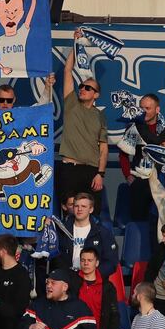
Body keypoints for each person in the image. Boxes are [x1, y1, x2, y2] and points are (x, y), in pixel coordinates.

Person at [57, 29, 109, 214]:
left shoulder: (100, 115)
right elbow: (67, 70)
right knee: (69, 212)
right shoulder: (72, 103)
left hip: (91, 171)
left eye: (88, 88)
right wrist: (75, 43)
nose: (83, 89)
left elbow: (103, 148)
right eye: (82, 86)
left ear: (96, 95)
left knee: (92, 214)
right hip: (69, 168)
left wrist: (100, 174)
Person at [120, 93, 165, 221]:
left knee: (163, 220)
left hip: (162, 181)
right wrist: (128, 176)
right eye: (141, 108)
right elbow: (123, 154)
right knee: (138, 220)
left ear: (157, 110)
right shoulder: (133, 127)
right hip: (140, 181)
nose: (144, 112)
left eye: (147, 108)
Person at [56, 193, 118, 279]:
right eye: (76, 206)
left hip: (92, 281)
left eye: (84, 206)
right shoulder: (62, 230)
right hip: (68, 280)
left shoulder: (102, 232)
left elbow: (111, 261)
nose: (79, 209)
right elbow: (56, 257)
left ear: (91, 209)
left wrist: (93, 275)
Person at [75, 247, 119, 329]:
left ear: (97, 263)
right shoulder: (72, 283)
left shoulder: (107, 287)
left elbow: (114, 317)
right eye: (83, 260)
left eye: (90, 260)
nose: (86, 263)